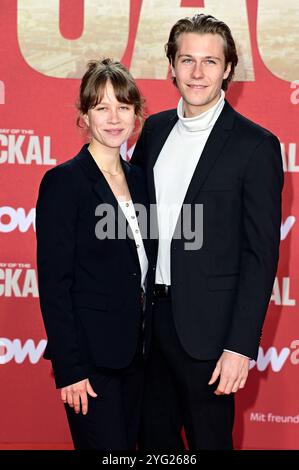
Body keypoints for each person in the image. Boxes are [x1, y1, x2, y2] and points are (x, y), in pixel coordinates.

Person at [131, 14, 283, 450]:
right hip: (149, 326)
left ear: (229, 69)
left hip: (212, 338)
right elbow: (141, 226)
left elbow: (260, 255)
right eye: (187, 60)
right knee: (153, 446)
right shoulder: (155, 130)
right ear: (171, 67)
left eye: (210, 62)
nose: (198, 73)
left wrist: (240, 347)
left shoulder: (255, 146)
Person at [36, 58, 153, 450]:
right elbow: (55, 286)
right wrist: (70, 370)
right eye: (101, 107)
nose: (114, 118)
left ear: (137, 113)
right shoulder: (64, 182)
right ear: (84, 115)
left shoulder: (141, 180)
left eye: (123, 106)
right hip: (90, 364)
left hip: (140, 357)